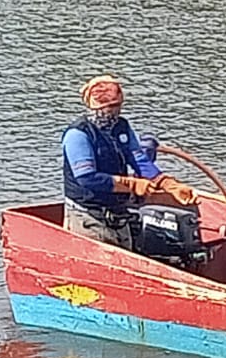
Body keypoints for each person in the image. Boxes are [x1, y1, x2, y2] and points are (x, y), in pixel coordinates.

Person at [62, 75, 195, 250]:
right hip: (87, 216)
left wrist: (168, 184)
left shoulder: (121, 127)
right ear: (95, 107)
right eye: (109, 108)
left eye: (118, 106)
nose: (115, 112)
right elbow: (87, 177)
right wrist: (131, 185)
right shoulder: (78, 134)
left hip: (118, 213)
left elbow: (138, 158)